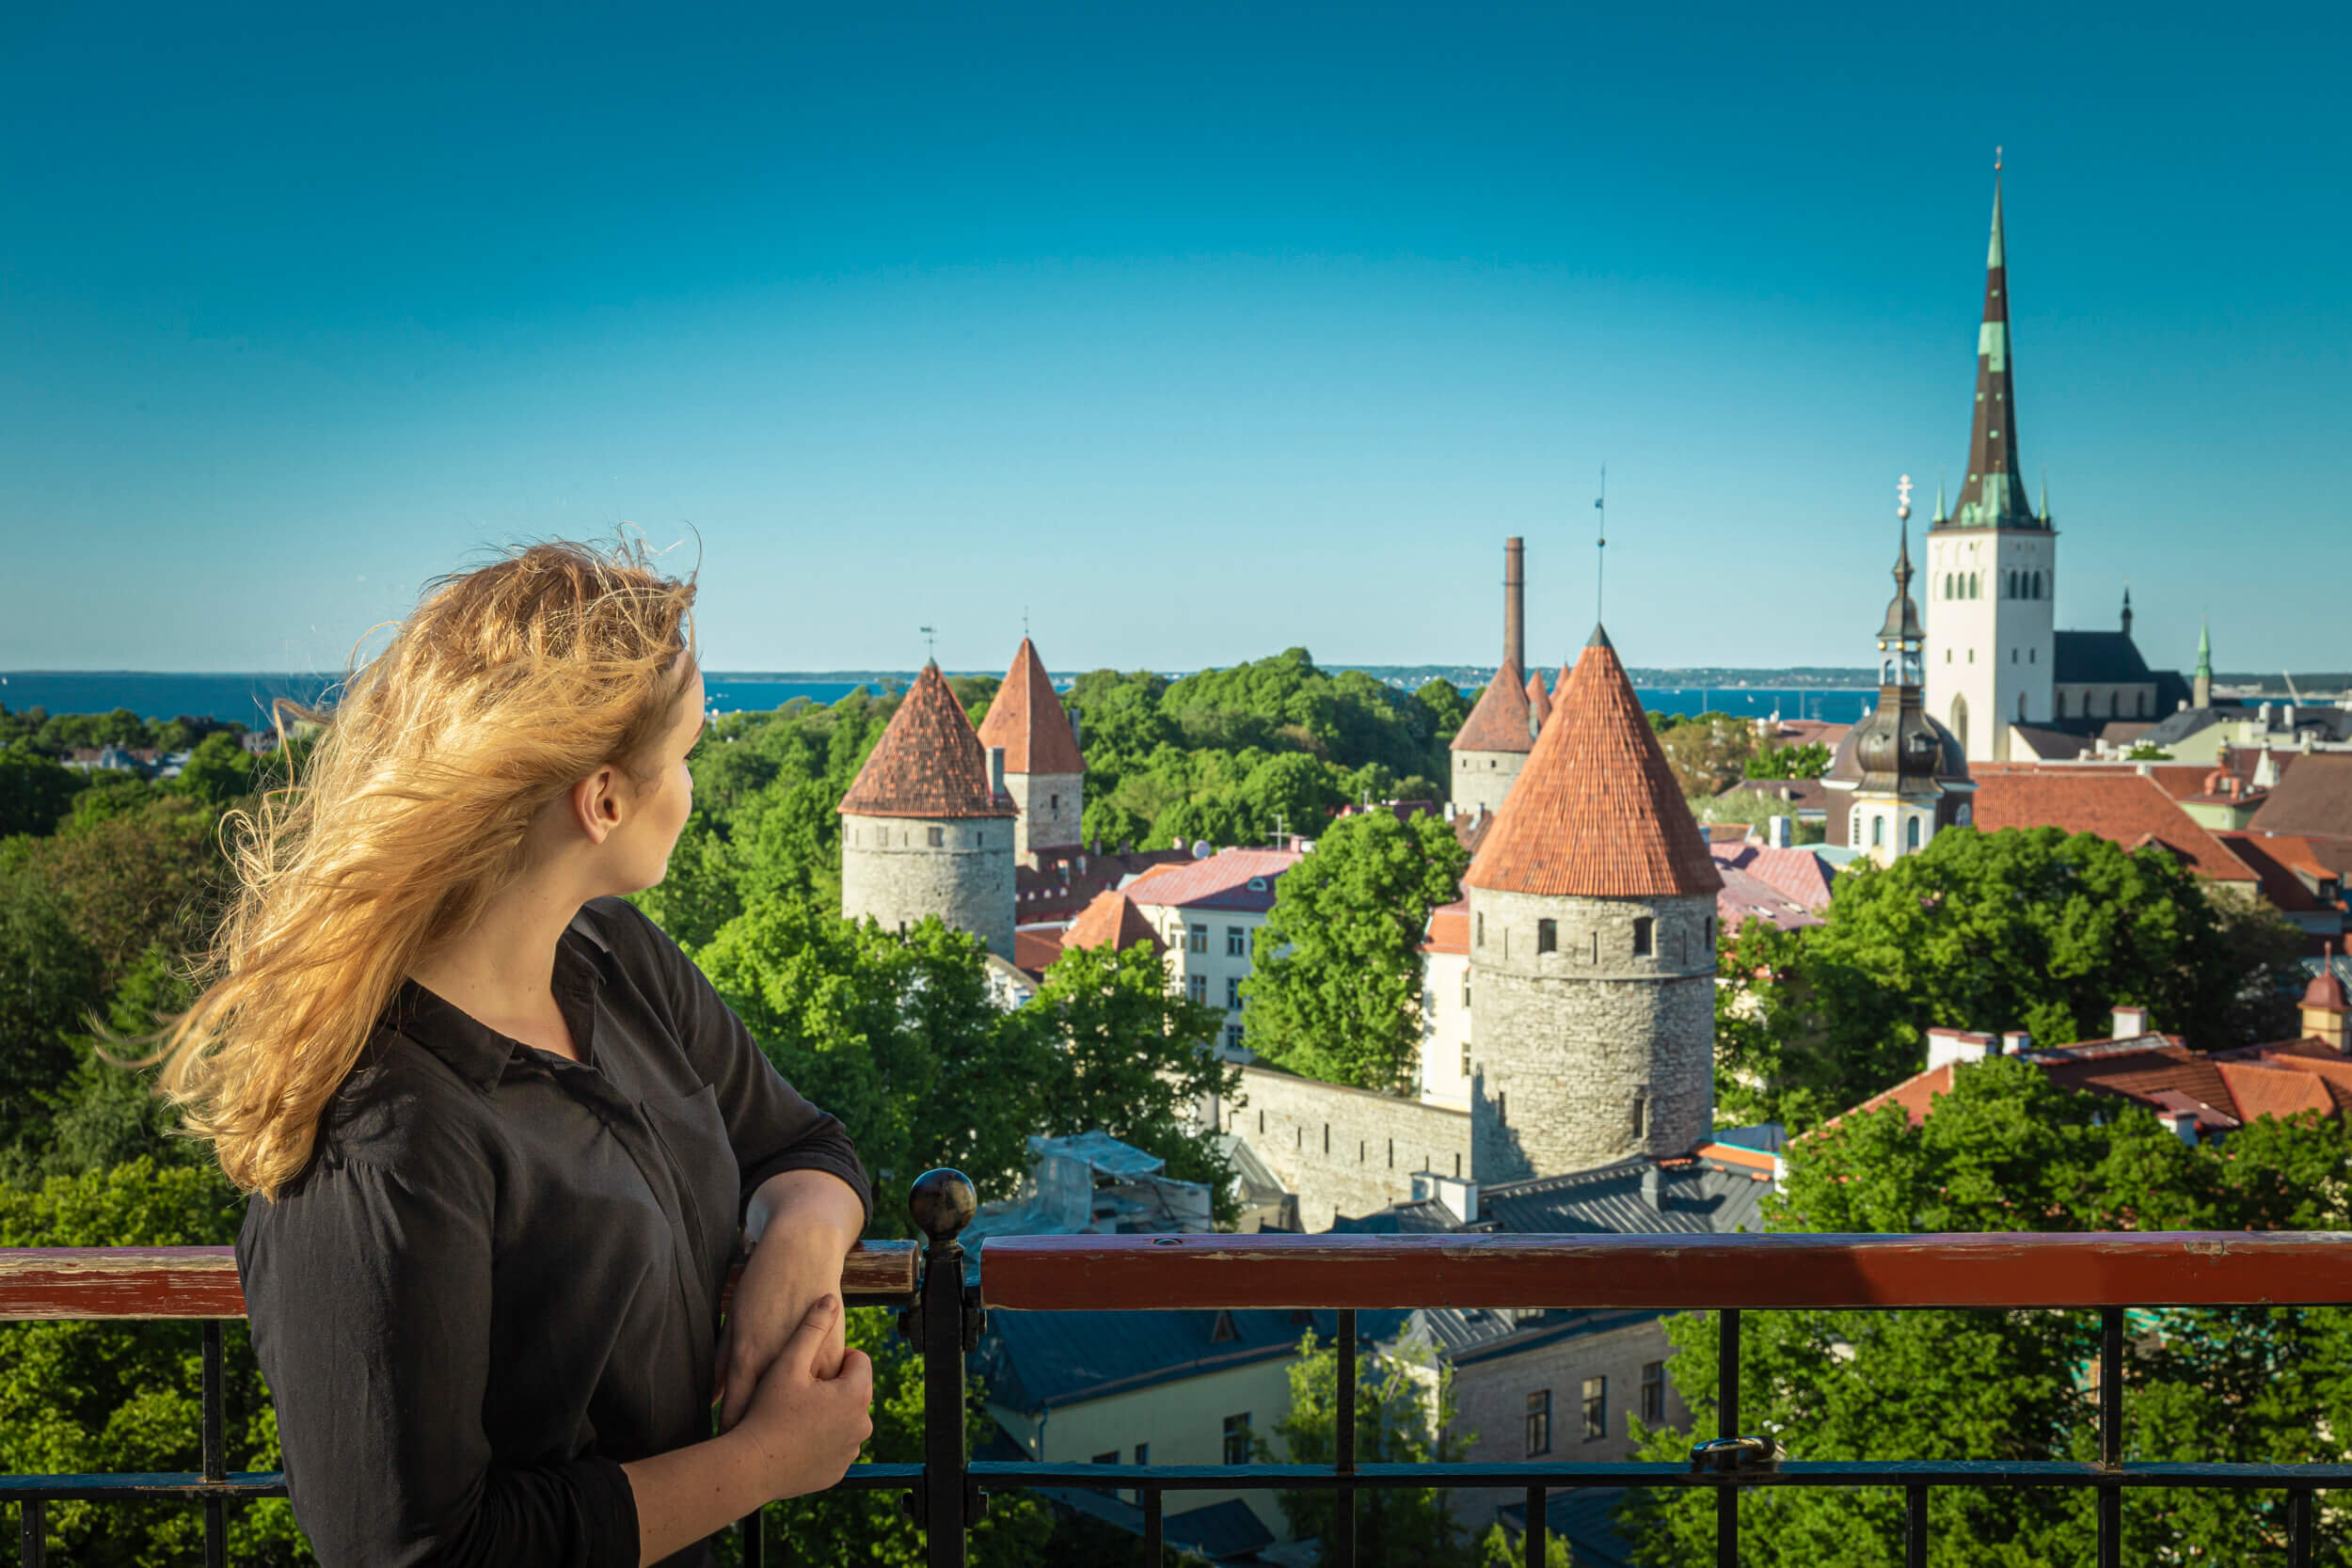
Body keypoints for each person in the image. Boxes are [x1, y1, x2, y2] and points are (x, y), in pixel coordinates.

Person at [149, 535, 874, 1566]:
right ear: (605, 798)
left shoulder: (615, 960)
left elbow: (806, 1142)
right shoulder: (383, 1126)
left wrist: (799, 1236)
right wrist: (764, 1461)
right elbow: (414, 1550)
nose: (694, 787)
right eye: (687, 755)